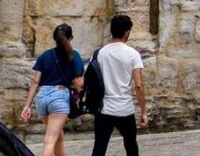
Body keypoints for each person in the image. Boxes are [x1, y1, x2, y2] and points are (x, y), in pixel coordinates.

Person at [21, 23, 85, 156]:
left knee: (58, 137)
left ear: (55, 38)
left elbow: (35, 82)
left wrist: (27, 106)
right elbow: (78, 81)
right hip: (59, 97)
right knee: (50, 141)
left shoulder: (45, 56)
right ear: (70, 38)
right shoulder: (74, 55)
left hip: (42, 97)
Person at [89, 15, 147, 156]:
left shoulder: (99, 54)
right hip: (124, 108)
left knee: (99, 148)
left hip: (104, 109)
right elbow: (139, 85)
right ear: (127, 32)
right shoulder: (133, 54)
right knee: (131, 146)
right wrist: (143, 111)